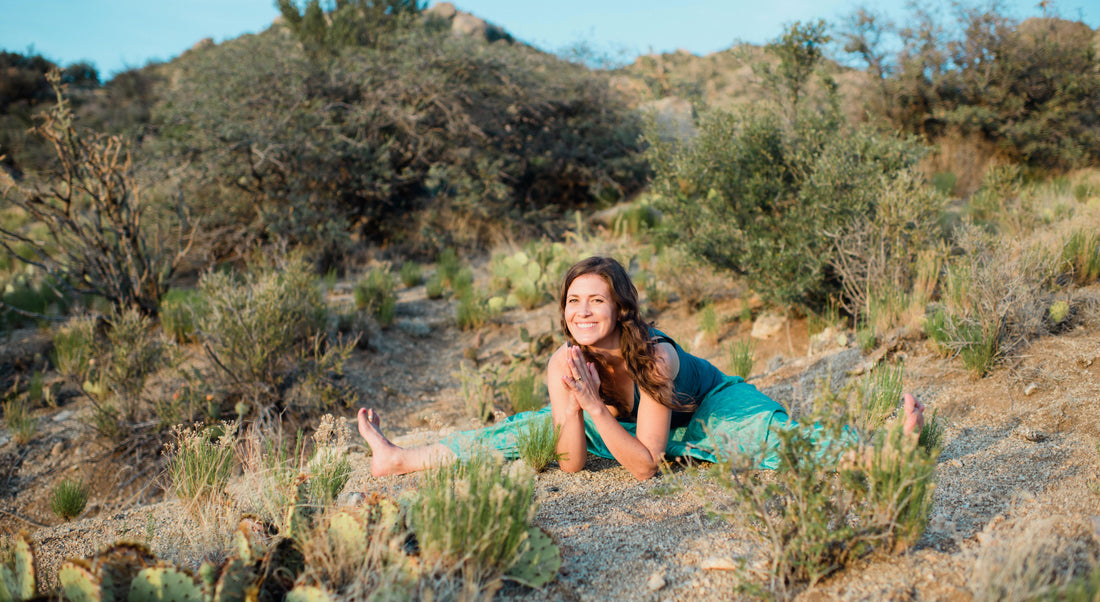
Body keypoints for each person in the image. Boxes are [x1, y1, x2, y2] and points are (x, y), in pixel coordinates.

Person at [357, 256, 925, 480]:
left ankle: (881, 451)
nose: (582, 312)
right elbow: (571, 464)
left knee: (762, 437)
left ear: (621, 307)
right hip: (625, 429)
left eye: (596, 301)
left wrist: (595, 406)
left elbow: (646, 468)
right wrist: (577, 406)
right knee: (516, 432)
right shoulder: (564, 362)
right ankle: (397, 458)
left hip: (707, 409)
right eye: (573, 302)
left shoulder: (654, 355)